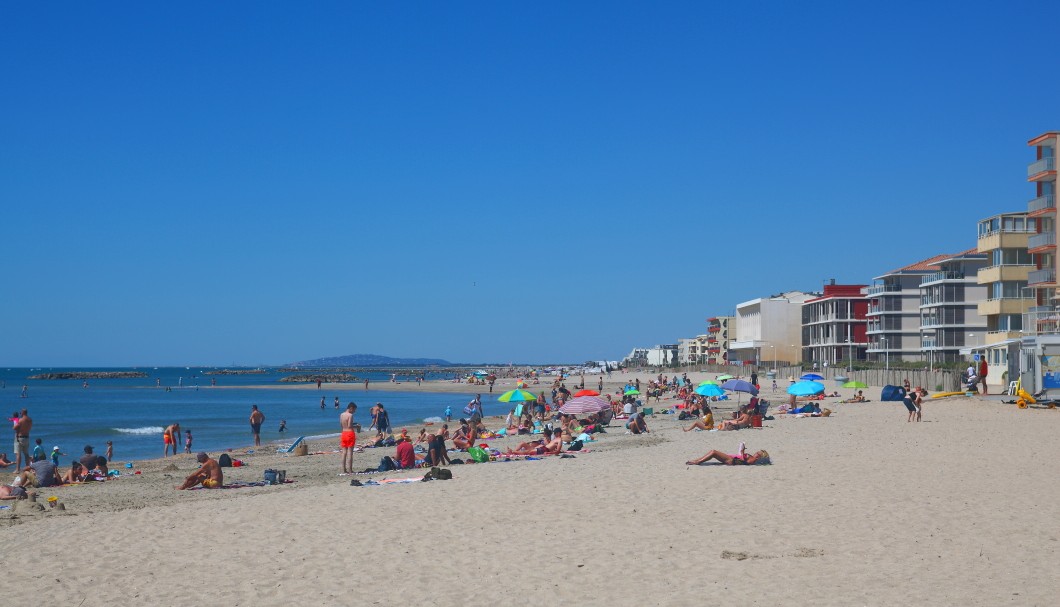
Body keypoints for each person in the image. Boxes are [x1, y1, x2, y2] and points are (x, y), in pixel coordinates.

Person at [686, 442, 770, 466]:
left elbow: (744, 462)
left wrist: (742, 452)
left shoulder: (753, 459)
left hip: (732, 461)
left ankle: (698, 461)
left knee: (713, 452)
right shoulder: (753, 458)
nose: (756, 453)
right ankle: (698, 460)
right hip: (732, 460)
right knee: (713, 453)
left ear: (759, 456)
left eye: (757, 453)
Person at [340, 403, 358, 474]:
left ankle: (343, 469)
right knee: (350, 452)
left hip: (344, 433)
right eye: (354, 410)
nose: (354, 411)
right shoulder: (350, 415)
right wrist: (357, 426)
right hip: (350, 433)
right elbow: (350, 426)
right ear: (351, 408)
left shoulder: (341, 415)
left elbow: (341, 425)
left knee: (344, 452)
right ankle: (350, 470)